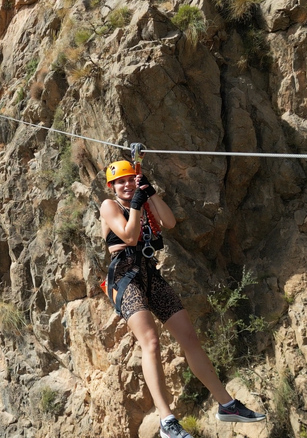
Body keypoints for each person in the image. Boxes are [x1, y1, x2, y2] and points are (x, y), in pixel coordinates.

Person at [100, 160, 265, 438]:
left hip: (149, 274)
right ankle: (166, 420)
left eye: (131, 179)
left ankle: (227, 404)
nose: (127, 185)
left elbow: (170, 222)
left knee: (189, 337)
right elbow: (128, 237)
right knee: (150, 341)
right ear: (112, 186)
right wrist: (138, 203)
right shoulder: (110, 206)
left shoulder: (142, 199)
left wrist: (150, 194)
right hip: (124, 276)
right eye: (121, 182)